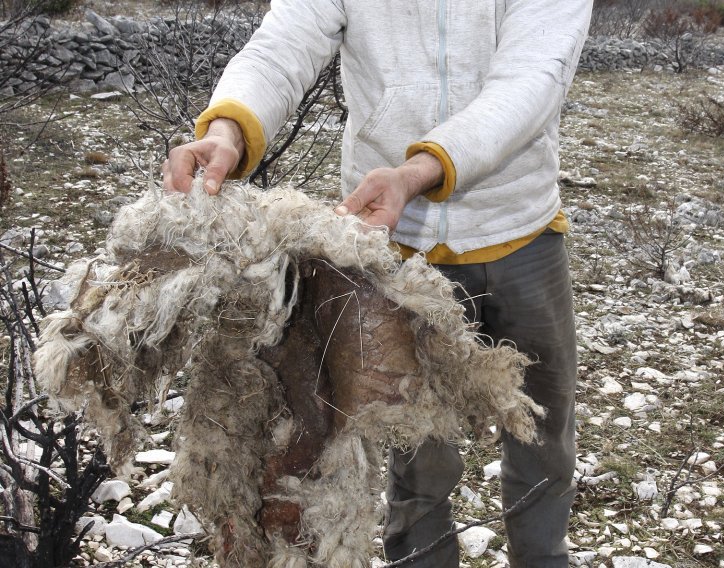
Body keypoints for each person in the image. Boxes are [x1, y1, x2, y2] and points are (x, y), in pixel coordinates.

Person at [162, 1, 593, 566]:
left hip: (520, 230)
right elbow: (281, 46)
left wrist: (418, 171)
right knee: (415, 450)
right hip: (394, 245)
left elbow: (532, 81)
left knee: (543, 434)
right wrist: (227, 131)